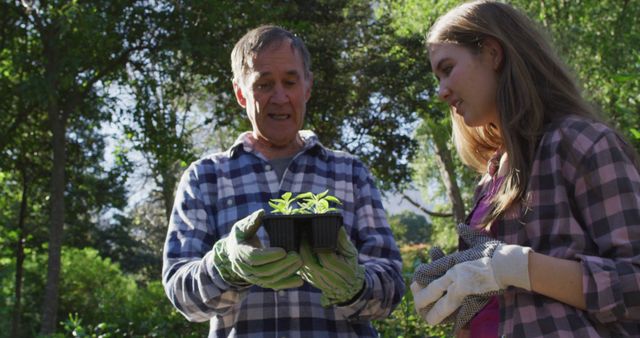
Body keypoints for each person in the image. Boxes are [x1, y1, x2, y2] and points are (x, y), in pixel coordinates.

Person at [410, 1, 640, 337]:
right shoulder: (490, 178)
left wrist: (517, 266)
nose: (442, 91)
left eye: (447, 69)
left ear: (492, 53)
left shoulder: (582, 144)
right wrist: (455, 298)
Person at [162, 25, 405, 337]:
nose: (279, 97)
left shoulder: (350, 173)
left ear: (307, 87)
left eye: (290, 82)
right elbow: (183, 296)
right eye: (263, 84)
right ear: (240, 93)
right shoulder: (205, 177)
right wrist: (225, 266)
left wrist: (356, 286)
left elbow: (391, 287)